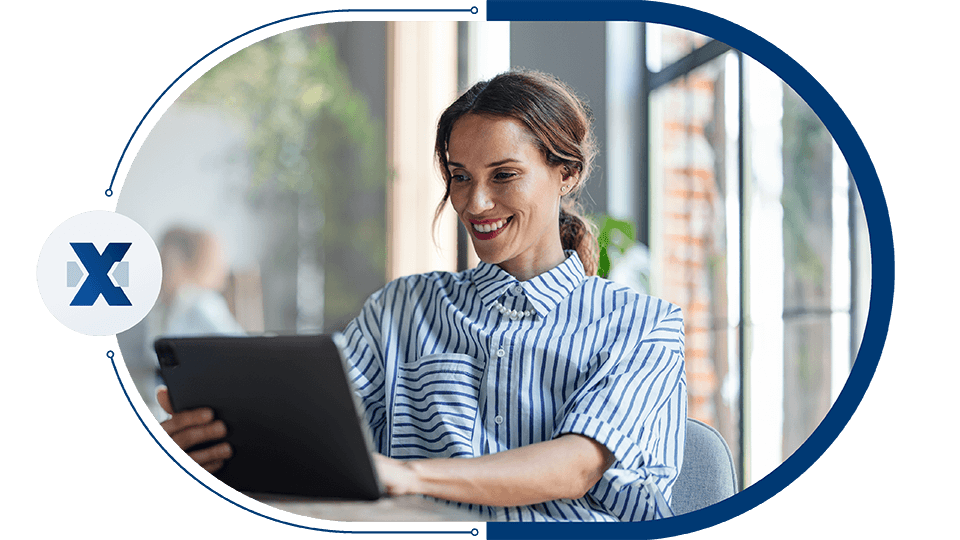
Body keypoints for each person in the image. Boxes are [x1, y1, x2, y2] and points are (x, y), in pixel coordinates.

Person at [158, 69, 686, 522]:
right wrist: (219, 438)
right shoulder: (401, 310)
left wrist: (409, 474)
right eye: (460, 176)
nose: (476, 203)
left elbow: (576, 466)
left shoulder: (643, 325)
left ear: (566, 174)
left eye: (504, 175)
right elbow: (316, 436)